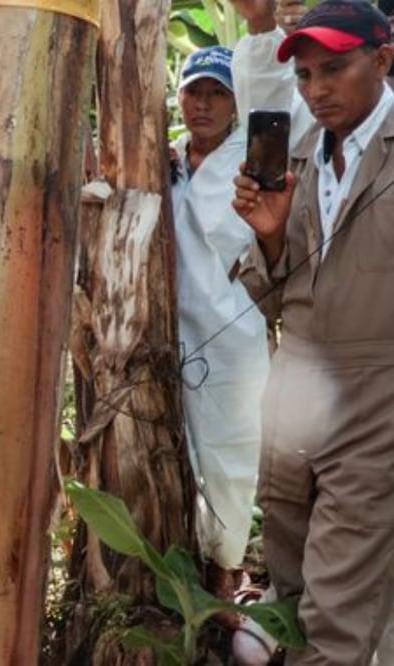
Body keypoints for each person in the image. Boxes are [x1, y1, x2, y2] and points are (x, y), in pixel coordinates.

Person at [230, 1, 394, 663]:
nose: (315, 89)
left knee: (335, 606)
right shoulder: (296, 153)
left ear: (382, 59)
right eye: (302, 76)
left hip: (375, 389)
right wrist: (268, 242)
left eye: (333, 68)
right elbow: (265, 294)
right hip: (294, 386)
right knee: (291, 582)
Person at [168, 45, 270, 616]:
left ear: (236, 104)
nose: (202, 104)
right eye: (194, 92)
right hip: (167, 332)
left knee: (230, 459)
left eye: (217, 94)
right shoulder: (166, 158)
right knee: (175, 453)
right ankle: (182, 572)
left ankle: (226, 580)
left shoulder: (250, 157)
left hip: (232, 335)